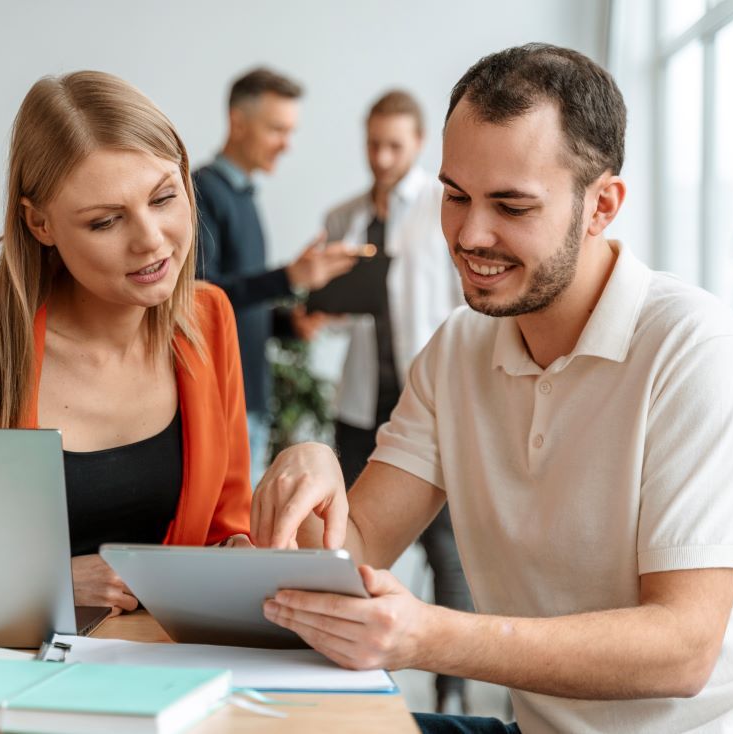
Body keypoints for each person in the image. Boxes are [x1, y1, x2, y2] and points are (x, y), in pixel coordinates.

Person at [251, 44, 733, 733]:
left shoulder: (694, 348)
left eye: (511, 206)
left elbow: (684, 650)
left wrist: (427, 636)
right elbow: (358, 544)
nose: (469, 234)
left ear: (601, 206)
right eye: (455, 195)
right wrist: (314, 466)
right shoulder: (458, 350)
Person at [0, 71, 252, 617]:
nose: (150, 239)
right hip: (9, 687)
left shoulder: (209, 320)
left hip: (168, 678)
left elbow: (225, 529)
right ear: (40, 224)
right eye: (104, 222)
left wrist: (251, 555)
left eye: (165, 197)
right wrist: (41, 582)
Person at [314, 90, 471, 714]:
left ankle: (451, 689)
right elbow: (327, 316)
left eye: (395, 146)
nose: (382, 158)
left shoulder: (443, 210)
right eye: (373, 144)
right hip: (359, 405)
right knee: (350, 542)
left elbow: (464, 306)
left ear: (419, 143)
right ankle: (346, 674)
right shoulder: (344, 214)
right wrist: (318, 302)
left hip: (427, 402)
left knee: (447, 548)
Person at [193, 67, 358, 486]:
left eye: (291, 131)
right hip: (220, 401)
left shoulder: (244, 196)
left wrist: (288, 323)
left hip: (249, 398)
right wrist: (288, 277)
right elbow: (199, 298)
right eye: (277, 129)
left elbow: (239, 306)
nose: (286, 144)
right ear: (237, 121)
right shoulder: (202, 193)